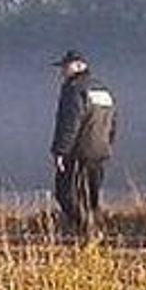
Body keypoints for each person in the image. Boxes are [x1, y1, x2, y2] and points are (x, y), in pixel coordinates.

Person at [50, 49, 116, 240]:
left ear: (80, 65)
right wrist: (107, 145)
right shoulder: (103, 90)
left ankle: (88, 231)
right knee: (90, 197)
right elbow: (113, 122)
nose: (62, 71)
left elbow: (70, 122)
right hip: (100, 152)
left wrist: (60, 151)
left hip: (78, 152)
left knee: (65, 194)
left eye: (66, 66)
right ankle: (94, 230)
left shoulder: (74, 89)